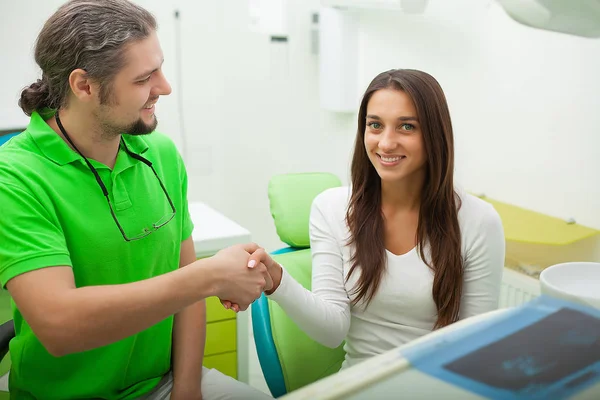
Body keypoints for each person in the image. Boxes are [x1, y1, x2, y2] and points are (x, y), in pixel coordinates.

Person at [0, 1, 273, 399]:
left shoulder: (158, 153)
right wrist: (208, 276)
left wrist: (187, 388)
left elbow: (186, 294)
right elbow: (59, 326)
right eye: (145, 78)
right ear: (84, 85)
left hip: (163, 383)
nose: (164, 87)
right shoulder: (14, 177)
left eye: (160, 68)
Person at [243, 69, 506, 371]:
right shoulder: (332, 209)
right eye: (375, 125)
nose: (386, 143)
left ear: (434, 134)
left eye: (406, 126)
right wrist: (277, 281)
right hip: (360, 384)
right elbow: (332, 331)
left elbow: (475, 346)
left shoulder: (478, 221)